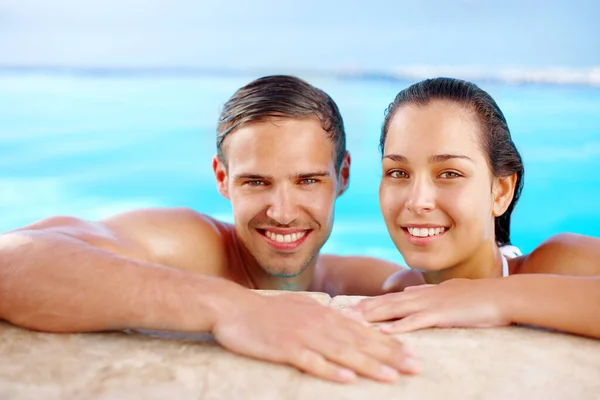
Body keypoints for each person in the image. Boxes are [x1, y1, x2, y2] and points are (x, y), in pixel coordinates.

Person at [0, 75, 418, 384]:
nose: (283, 212)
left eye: (308, 181)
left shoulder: (363, 280)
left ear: (342, 175)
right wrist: (233, 308)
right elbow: (12, 258)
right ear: (222, 178)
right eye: (256, 182)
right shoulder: (191, 245)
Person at [351, 77, 600, 339]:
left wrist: (494, 298)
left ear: (501, 191)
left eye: (449, 174)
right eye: (398, 172)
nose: (417, 201)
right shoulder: (400, 290)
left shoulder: (561, 263)